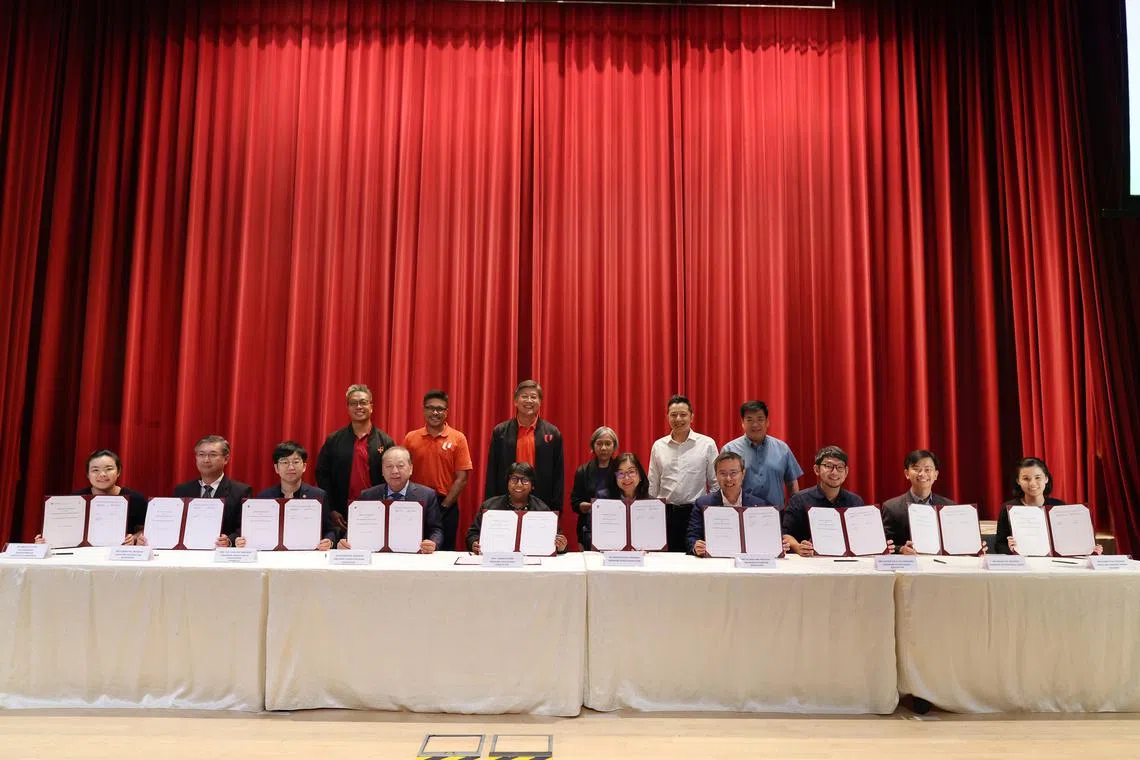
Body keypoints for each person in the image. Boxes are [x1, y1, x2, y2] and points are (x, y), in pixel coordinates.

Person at [315, 384, 396, 536]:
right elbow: (322, 476)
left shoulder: (385, 441)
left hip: (376, 511)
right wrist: (331, 509)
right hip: (341, 514)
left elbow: (393, 478)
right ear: (348, 408)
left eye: (363, 402)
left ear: (371, 406)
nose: (359, 407)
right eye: (353, 403)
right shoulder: (334, 440)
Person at [781, 445, 890, 556]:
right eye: (828, 466)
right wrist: (798, 547)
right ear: (817, 469)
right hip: (811, 561)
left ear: (846, 471)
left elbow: (863, 536)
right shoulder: (799, 499)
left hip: (848, 563)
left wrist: (879, 544)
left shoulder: (855, 501)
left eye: (840, 467)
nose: (834, 472)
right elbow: (786, 534)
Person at [337, 446, 443, 553]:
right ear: (382, 470)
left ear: (411, 468)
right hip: (377, 556)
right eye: (389, 466)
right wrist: (346, 541)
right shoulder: (368, 495)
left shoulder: (427, 495)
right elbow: (356, 528)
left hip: (413, 555)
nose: (395, 471)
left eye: (400, 466)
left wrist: (433, 543)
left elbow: (436, 530)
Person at [403, 390, 473, 551]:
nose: (435, 412)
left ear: (447, 412)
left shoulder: (458, 438)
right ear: (423, 410)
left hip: (446, 506)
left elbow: (462, 478)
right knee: (411, 551)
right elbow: (403, 472)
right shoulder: (411, 438)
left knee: (444, 554)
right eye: (430, 408)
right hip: (415, 505)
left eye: (440, 409)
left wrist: (444, 506)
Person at [647, 394, 718, 551]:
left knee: (695, 560)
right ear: (667, 417)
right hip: (666, 514)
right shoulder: (658, 446)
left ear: (692, 416)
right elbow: (653, 484)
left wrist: (707, 511)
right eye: (673, 415)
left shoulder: (707, 444)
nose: (678, 419)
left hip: (695, 513)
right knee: (665, 561)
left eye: (683, 414)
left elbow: (715, 483)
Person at [234, 441, 335, 550]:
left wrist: (329, 541)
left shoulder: (318, 495)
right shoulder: (265, 496)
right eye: (284, 462)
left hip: (307, 554)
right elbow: (252, 530)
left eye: (296, 462)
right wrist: (241, 540)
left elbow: (330, 530)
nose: (291, 467)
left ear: (304, 466)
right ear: (276, 468)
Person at [35, 449, 146, 546]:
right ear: (88, 474)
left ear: (118, 472)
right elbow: (59, 531)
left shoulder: (136, 499)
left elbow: (144, 530)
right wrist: (45, 539)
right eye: (95, 470)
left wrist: (134, 539)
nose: (102, 474)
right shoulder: (75, 499)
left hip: (121, 556)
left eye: (109, 469)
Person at [485, 380, 564, 514]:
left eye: (533, 397)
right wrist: (491, 504)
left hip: (541, 503)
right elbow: (492, 471)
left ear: (540, 402)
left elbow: (558, 475)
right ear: (515, 401)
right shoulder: (500, 432)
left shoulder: (552, 433)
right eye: (524, 396)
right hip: (505, 502)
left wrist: (556, 508)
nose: (529, 400)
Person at [996, 456, 1103, 555]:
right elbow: (999, 545)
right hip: (1023, 565)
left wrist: (1089, 548)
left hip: (1056, 565)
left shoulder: (1059, 506)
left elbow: (1070, 539)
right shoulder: (1008, 508)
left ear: (1046, 479)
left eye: (1037, 477)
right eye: (1026, 479)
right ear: (1018, 481)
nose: (1032, 483)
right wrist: (1010, 549)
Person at [467, 462, 568, 554]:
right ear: (507, 483)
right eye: (514, 479)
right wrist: (473, 543)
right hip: (497, 562)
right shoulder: (490, 507)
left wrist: (561, 546)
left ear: (532, 486)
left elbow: (557, 538)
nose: (519, 484)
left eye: (525, 480)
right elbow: (472, 534)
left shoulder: (542, 509)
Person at [170, 435, 253, 547]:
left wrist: (229, 541)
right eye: (201, 454)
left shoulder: (241, 491)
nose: (206, 460)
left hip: (222, 555)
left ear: (226, 459)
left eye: (213, 455)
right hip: (187, 552)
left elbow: (245, 527)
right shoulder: (182, 491)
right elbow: (173, 525)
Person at [688, 451, 774, 556]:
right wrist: (695, 546)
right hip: (715, 562)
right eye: (723, 473)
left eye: (734, 473)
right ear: (716, 475)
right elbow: (691, 537)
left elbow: (767, 537)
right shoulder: (702, 504)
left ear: (743, 473)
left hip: (750, 563)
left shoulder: (758, 504)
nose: (728, 478)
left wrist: (777, 545)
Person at [720, 400, 803, 507]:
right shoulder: (730, 449)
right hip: (742, 513)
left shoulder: (782, 448)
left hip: (776, 513)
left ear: (767, 422)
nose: (755, 424)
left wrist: (793, 511)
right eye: (749, 420)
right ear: (742, 423)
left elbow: (792, 483)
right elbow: (723, 484)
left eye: (760, 419)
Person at [881, 450, 956, 554]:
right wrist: (901, 549)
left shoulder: (949, 507)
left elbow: (957, 540)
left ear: (936, 474)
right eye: (916, 469)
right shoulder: (891, 507)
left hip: (942, 566)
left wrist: (976, 548)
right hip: (907, 566)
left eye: (927, 469)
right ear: (907, 473)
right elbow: (884, 544)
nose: (922, 474)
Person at [569, 426, 619, 550]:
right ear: (593, 446)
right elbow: (574, 502)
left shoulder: (620, 470)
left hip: (616, 527)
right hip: (588, 528)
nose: (603, 448)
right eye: (599, 443)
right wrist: (585, 506)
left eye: (608, 444)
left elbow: (627, 495)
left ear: (614, 447)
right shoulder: (583, 471)